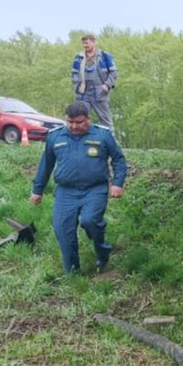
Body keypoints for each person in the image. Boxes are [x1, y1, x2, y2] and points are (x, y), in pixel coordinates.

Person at [30, 103, 126, 274]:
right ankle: (72, 272)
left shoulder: (102, 135)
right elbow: (46, 164)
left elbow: (118, 159)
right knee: (62, 229)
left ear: (88, 119)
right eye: (70, 122)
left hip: (94, 189)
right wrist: (38, 190)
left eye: (79, 122)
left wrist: (118, 183)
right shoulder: (55, 137)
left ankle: (102, 250)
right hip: (66, 191)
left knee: (89, 221)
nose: (74, 126)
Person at [71, 34, 118, 129]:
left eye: (87, 43)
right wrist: (76, 86)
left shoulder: (104, 56)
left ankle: (110, 142)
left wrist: (107, 85)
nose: (85, 45)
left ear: (93, 42)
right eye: (83, 43)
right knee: (80, 119)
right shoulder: (79, 57)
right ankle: (82, 141)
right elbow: (74, 74)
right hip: (83, 93)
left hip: (99, 92)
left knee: (106, 121)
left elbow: (114, 72)